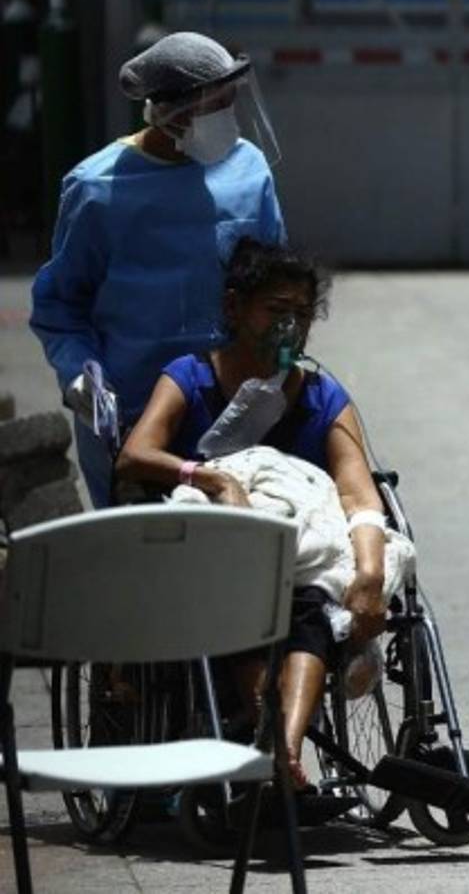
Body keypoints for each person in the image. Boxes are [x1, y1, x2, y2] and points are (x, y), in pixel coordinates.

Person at [115, 239, 389, 788]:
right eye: (276, 311)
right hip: (213, 559)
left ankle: (282, 750)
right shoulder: (190, 379)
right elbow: (134, 456)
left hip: (295, 560)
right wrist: (210, 477)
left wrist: (370, 574)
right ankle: (264, 738)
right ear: (236, 308)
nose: (290, 327)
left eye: (302, 315)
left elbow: (359, 495)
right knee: (241, 598)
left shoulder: (321, 396)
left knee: (308, 607)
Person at [30, 31, 286, 509]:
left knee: (236, 563)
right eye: (219, 104)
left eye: (235, 100)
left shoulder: (249, 170)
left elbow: (278, 287)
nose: (230, 116)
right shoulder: (97, 188)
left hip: (231, 414)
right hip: (131, 422)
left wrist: (279, 364)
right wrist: (80, 377)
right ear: (174, 113)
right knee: (142, 568)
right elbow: (60, 307)